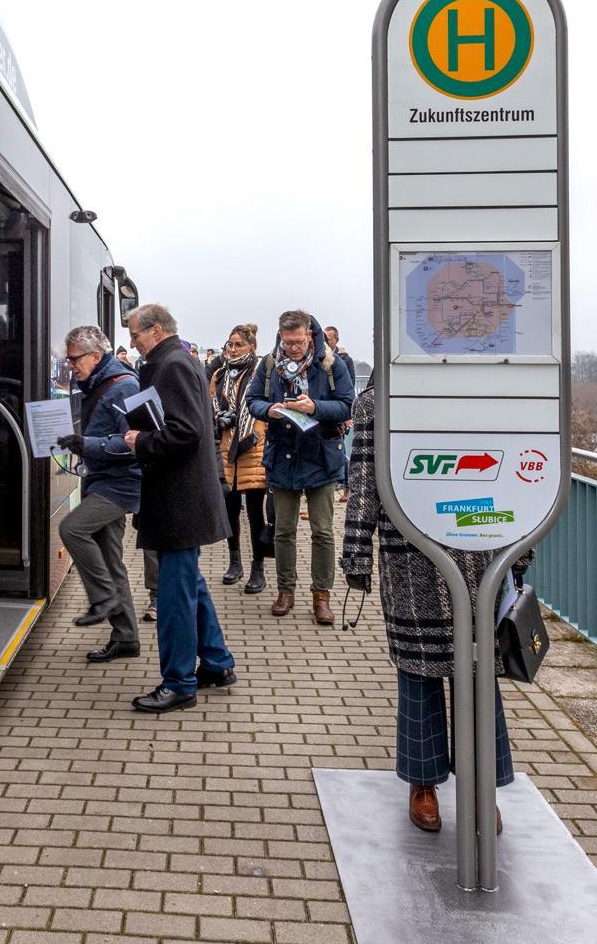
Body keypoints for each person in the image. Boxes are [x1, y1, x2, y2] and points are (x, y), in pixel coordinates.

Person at [340, 382, 514, 833]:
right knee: (419, 669)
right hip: (410, 549)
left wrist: (521, 552)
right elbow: (363, 480)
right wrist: (356, 550)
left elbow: (515, 465)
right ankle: (423, 782)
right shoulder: (377, 400)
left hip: (479, 539)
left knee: (478, 669)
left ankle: (483, 785)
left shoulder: (487, 392)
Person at [123, 303, 236, 713]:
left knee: (174, 596)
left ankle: (179, 683)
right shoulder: (175, 361)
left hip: (179, 500)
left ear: (154, 330)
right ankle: (218, 663)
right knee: (190, 586)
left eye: (135, 335)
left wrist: (141, 442)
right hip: (183, 498)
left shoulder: (171, 364)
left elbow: (186, 431)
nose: (132, 342)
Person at [246, 310, 353, 623]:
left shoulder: (331, 364)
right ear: (280, 335)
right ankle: (285, 590)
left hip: (320, 456)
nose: (292, 348)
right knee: (284, 529)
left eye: (298, 342)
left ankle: (322, 596)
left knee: (322, 531)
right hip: (283, 455)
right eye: (287, 342)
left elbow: (348, 404)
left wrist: (315, 407)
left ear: (309, 335)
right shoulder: (268, 364)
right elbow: (253, 400)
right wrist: (270, 410)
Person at [55, 325, 143, 662]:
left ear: (95, 355)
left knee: (71, 528)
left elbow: (135, 439)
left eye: (75, 359)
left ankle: (102, 598)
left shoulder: (124, 386)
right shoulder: (95, 383)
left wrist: (87, 444)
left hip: (120, 483)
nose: (71, 366)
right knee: (110, 560)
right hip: (103, 480)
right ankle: (126, 637)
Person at [209, 323, 269, 594]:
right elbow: (211, 405)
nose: (232, 350)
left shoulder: (262, 373)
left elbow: (266, 409)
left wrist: (251, 428)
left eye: (238, 345)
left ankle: (258, 568)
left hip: (253, 447)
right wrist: (218, 419)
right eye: (229, 345)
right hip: (226, 448)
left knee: (256, 512)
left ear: (251, 347)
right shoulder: (220, 375)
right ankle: (235, 562)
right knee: (230, 508)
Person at [324, 326, 355, 503]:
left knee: (341, 451)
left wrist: (347, 415)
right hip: (326, 412)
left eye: (329, 338)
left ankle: (346, 487)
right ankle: (335, 486)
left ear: (336, 340)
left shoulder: (343, 360)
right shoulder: (320, 358)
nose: (326, 341)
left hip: (339, 414)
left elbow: (348, 387)